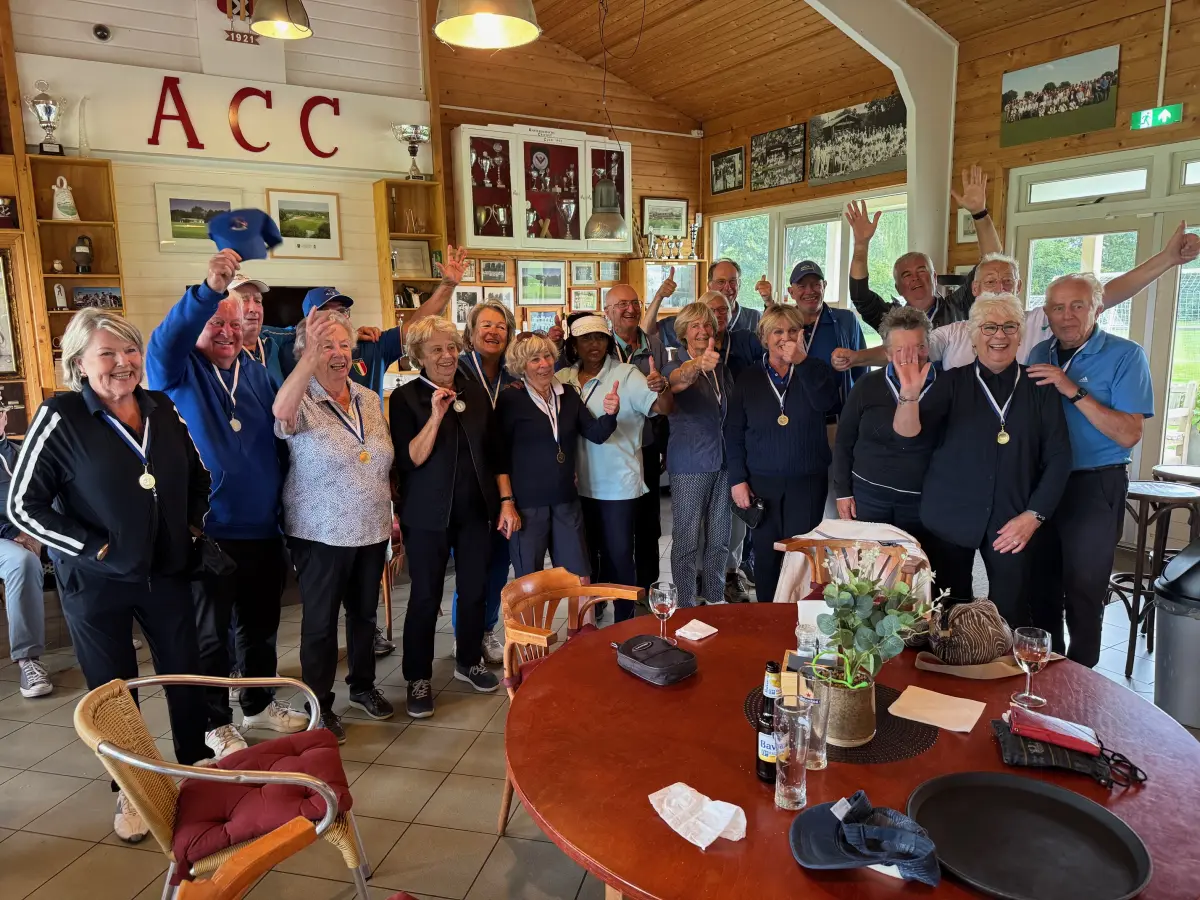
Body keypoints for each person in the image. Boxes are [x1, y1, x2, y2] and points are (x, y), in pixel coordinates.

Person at [8, 309, 211, 842]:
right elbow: (23, 505)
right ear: (79, 363)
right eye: (107, 353)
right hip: (95, 582)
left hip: (165, 573)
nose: (123, 362)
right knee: (114, 689)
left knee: (184, 673)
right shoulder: (61, 415)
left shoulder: (161, 407)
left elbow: (198, 476)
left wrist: (189, 527)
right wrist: (95, 549)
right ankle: (130, 787)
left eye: (130, 350)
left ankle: (195, 766)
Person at [147, 250, 306, 762]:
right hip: (207, 532)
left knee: (260, 629)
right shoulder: (176, 370)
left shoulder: (256, 373)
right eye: (217, 322)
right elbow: (166, 339)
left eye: (235, 325)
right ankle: (215, 723)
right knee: (210, 639)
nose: (227, 333)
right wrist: (210, 289)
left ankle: (256, 705)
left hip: (261, 528)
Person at [892, 292, 1072, 627]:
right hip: (949, 517)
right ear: (974, 337)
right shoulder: (952, 382)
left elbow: (1060, 458)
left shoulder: (1040, 386)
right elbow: (907, 435)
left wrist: (1034, 516)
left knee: (1011, 613)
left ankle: (1005, 663)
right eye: (989, 327)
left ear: (1020, 335)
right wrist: (909, 395)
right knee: (946, 613)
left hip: (1014, 520)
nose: (999, 335)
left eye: (1009, 326)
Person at [834, 224, 1200, 372]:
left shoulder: (1041, 321)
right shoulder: (954, 332)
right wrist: (857, 358)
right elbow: (907, 350)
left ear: (1019, 287)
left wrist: (1167, 260)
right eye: (990, 280)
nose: (998, 286)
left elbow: (1108, 293)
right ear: (974, 289)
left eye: (1006, 281)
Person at [273, 309, 396, 742]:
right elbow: (280, 413)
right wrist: (309, 358)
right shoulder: (299, 398)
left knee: (364, 616)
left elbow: (380, 459)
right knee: (321, 624)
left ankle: (362, 686)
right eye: (326, 346)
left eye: (344, 344)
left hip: (371, 528)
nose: (339, 353)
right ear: (306, 353)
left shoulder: (368, 398)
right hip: (320, 533)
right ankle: (319, 705)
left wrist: (391, 513)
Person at [1026, 273, 1154, 667]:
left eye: (1077, 306)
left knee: (1084, 590)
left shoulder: (1126, 355)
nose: (1067, 315)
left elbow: (1129, 433)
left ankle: (1083, 680)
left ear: (1097, 309)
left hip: (1095, 482)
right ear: (1047, 314)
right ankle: (1047, 672)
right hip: (1044, 484)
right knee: (1041, 587)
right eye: (1058, 307)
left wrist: (1072, 389)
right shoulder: (1039, 353)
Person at [390, 317, 513, 719]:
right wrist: (435, 415)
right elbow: (410, 458)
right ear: (419, 356)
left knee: (475, 590)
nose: (447, 356)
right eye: (436, 350)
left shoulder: (473, 392)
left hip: (475, 511)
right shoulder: (406, 398)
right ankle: (417, 677)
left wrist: (505, 500)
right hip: (426, 516)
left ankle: (468, 661)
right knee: (425, 597)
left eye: (452, 348)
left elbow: (494, 451)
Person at [557, 314, 673, 620]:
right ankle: (592, 613)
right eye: (586, 339)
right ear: (574, 345)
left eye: (600, 337)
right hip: (577, 485)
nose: (594, 344)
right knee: (586, 556)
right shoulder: (564, 378)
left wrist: (662, 388)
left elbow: (663, 408)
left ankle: (624, 620)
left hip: (617, 485)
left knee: (619, 555)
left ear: (608, 342)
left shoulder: (627, 374)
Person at [725, 306, 839, 604]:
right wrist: (737, 480)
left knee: (802, 557)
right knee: (766, 557)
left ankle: (799, 618)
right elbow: (733, 432)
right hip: (762, 483)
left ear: (802, 335)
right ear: (764, 338)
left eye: (792, 331)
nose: (785, 338)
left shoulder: (815, 369)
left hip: (807, 481)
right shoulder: (748, 378)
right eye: (778, 331)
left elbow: (827, 402)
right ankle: (767, 617)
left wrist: (801, 361)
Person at [498, 333, 618, 579]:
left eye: (547, 356)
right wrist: (506, 502)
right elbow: (499, 456)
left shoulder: (568, 394)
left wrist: (611, 414)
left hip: (565, 500)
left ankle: (582, 609)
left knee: (579, 578)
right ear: (522, 365)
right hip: (527, 505)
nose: (544, 364)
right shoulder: (511, 399)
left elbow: (595, 433)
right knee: (530, 583)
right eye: (535, 359)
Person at [845, 166, 1001, 331]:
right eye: (906, 275)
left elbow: (994, 264)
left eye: (921, 271)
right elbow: (860, 296)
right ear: (898, 288)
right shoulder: (892, 319)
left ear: (934, 277)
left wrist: (979, 213)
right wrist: (860, 246)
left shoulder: (958, 306)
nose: (915, 278)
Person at [833, 306, 938, 537]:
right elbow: (844, 440)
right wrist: (843, 492)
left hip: (922, 501)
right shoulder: (867, 385)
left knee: (918, 559)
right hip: (867, 496)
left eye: (919, 347)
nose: (912, 356)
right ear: (887, 353)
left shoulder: (947, 387)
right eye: (901, 350)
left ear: (928, 346)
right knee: (869, 559)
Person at [454, 300, 519, 666]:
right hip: (467, 483)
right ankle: (465, 635)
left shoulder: (514, 374)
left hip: (507, 482)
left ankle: (486, 630)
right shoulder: (457, 369)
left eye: (501, 326)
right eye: (486, 325)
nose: (493, 332)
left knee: (498, 563)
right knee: (471, 569)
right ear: (471, 332)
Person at [664, 302, 735, 607]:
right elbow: (678, 380)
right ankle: (685, 604)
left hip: (724, 461)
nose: (703, 331)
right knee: (687, 540)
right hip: (690, 463)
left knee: (720, 539)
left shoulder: (721, 368)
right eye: (695, 326)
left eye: (707, 325)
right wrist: (697, 364)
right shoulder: (673, 365)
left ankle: (715, 600)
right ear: (683, 333)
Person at [604, 284, 670, 594]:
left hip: (646, 448)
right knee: (611, 525)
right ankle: (609, 591)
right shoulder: (600, 345)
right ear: (607, 311)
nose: (630, 309)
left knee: (648, 523)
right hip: (609, 449)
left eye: (634, 303)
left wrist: (661, 385)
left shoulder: (654, 345)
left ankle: (646, 589)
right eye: (621, 304)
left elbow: (665, 402)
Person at [0, 409, 51, 699]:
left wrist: (40, 532)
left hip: (31, 531)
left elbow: (47, 495)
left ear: (4, 417)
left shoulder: (23, 452)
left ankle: (101, 633)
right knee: (22, 562)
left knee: (75, 548)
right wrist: (13, 533)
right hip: (4, 537)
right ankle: (28, 659)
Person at [641, 258, 771, 348]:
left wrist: (768, 301)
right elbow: (647, 333)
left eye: (733, 281)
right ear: (710, 285)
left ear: (739, 284)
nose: (728, 287)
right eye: (721, 282)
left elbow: (773, 342)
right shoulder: (691, 318)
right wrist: (659, 297)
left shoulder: (753, 317)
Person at [233, 274, 283, 386]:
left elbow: (298, 331)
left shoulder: (269, 337)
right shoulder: (222, 353)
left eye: (257, 301)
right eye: (243, 300)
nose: (253, 309)